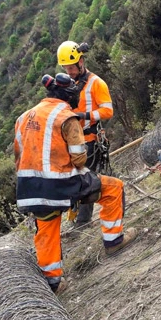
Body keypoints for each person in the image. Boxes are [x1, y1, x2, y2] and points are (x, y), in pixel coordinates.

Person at [14, 73, 137, 293]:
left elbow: (18, 154)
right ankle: (114, 241)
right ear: (69, 95)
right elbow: (79, 159)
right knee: (113, 187)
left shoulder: (23, 117)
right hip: (63, 183)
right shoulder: (66, 116)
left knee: (47, 226)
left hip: (29, 188)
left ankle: (53, 282)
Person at [57, 40, 114, 229]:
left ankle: (82, 221)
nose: (70, 71)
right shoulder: (68, 84)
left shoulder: (97, 83)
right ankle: (73, 215)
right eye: (66, 68)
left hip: (90, 139)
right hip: (72, 140)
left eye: (72, 67)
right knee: (72, 178)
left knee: (86, 178)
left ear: (81, 61)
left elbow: (107, 111)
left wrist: (84, 115)